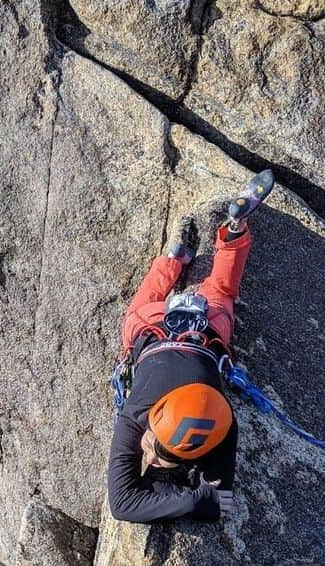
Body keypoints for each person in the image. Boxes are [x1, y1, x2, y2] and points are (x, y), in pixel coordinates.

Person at [107, 170, 275, 523]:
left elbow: (126, 506)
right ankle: (216, 239)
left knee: (219, 292)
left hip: (205, 329)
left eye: (152, 451)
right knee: (141, 310)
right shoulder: (138, 418)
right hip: (152, 329)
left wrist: (184, 491)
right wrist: (190, 493)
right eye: (156, 453)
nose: (147, 457)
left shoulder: (223, 423)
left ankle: (192, 250)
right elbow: (125, 505)